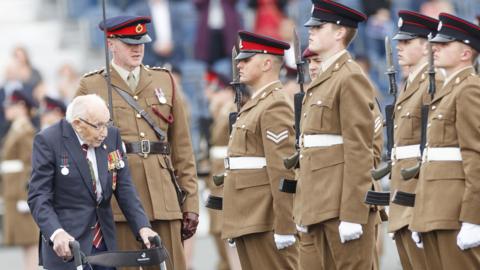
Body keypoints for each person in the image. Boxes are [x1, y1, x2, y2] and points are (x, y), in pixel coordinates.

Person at [75, 16, 199, 270]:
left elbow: (183, 148)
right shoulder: (92, 85)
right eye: (129, 42)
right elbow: (78, 145)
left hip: (163, 198)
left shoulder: (164, 80)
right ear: (111, 43)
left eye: (141, 42)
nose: (137, 48)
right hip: (118, 201)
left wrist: (191, 203)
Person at [28, 94, 158, 270]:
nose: (104, 132)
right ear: (77, 124)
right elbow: (39, 197)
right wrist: (56, 233)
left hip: (104, 242)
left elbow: (125, 187)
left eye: (107, 123)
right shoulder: (49, 141)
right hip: (68, 245)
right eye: (98, 126)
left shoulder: (112, 137)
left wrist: (143, 227)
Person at [294, 1, 379, 269]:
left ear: (340, 33)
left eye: (319, 27)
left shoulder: (349, 77)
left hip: (341, 207)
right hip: (316, 203)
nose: (311, 31)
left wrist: (354, 213)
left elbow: (359, 149)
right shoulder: (325, 79)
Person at [221, 30, 298, 270]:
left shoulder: (274, 104)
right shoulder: (256, 104)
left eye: (246, 59)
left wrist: (285, 225)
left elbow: (282, 170)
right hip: (249, 216)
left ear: (267, 63)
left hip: (265, 219)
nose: (239, 64)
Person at [409, 13, 480, 269]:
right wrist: (421, 216)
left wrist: (474, 218)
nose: (435, 47)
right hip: (436, 213)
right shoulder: (447, 91)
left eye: (445, 43)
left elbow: (476, 156)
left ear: (465, 53)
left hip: (456, 215)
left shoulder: (469, 89)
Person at [387, 10, 441, 270]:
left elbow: (434, 147)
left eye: (407, 42)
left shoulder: (433, 83)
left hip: (419, 198)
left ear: (427, 45)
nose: (398, 47)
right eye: (399, 41)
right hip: (403, 195)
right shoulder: (410, 84)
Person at [0, 90, 39, 270]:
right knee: (24, 241)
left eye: (11, 105)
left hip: (20, 193)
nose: (6, 109)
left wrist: (26, 197)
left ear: (22, 107)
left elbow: (31, 167)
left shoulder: (25, 131)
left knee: (30, 240)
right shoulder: (15, 129)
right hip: (12, 191)